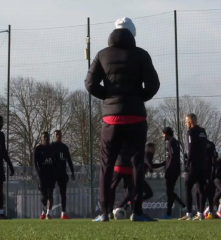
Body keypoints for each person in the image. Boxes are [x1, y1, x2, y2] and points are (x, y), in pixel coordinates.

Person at [85, 17, 160, 222]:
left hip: (111, 118)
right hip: (135, 116)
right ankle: (137, 212)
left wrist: (109, 98)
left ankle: (104, 212)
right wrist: (137, 99)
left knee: (106, 165)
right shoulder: (142, 55)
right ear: (132, 34)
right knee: (137, 164)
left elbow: (90, 84)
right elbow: (153, 85)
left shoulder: (101, 55)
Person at [179, 114, 208, 221]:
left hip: (194, 165)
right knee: (201, 188)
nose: (185, 123)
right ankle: (200, 214)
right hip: (203, 164)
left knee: (187, 186)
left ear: (190, 121)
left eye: (186, 121)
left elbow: (191, 149)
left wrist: (187, 164)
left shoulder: (190, 132)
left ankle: (189, 213)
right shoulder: (203, 131)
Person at [160, 127, 186, 219]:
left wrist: (168, 169)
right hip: (176, 169)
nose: (162, 136)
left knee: (169, 191)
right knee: (170, 192)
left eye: (163, 134)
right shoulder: (175, 142)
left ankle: (182, 205)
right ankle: (169, 213)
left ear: (166, 134)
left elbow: (173, 157)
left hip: (172, 170)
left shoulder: (171, 142)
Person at [51, 130, 75, 220]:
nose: (57, 136)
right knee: (49, 192)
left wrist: (72, 172)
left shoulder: (64, 147)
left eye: (59, 134)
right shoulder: (51, 146)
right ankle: (47, 212)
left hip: (62, 173)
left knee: (63, 193)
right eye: (56, 134)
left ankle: (63, 213)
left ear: (61, 135)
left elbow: (69, 160)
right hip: (53, 173)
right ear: (54, 136)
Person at [107, 144, 135, 220]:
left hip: (118, 166)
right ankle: (134, 212)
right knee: (131, 190)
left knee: (112, 188)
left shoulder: (118, 141)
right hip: (128, 167)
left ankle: (109, 212)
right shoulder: (131, 141)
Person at [35, 132, 56, 220]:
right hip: (42, 176)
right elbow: (35, 163)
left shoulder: (52, 148)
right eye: (44, 137)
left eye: (47, 137)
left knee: (50, 194)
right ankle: (43, 211)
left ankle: (49, 213)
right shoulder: (38, 149)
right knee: (44, 196)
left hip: (51, 176)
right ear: (41, 139)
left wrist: (55, 174)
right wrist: (39, 175)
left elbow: (55, 162)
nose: (46, 139)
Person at [201, 140, 219, 219]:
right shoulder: (197, 143)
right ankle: (202, 212)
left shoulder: (210, 145)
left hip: (207, 172)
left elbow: (214, 159)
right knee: (202, 192)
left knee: (208, 192)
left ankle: (209, 212)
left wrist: (213, 171)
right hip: (202, 171)